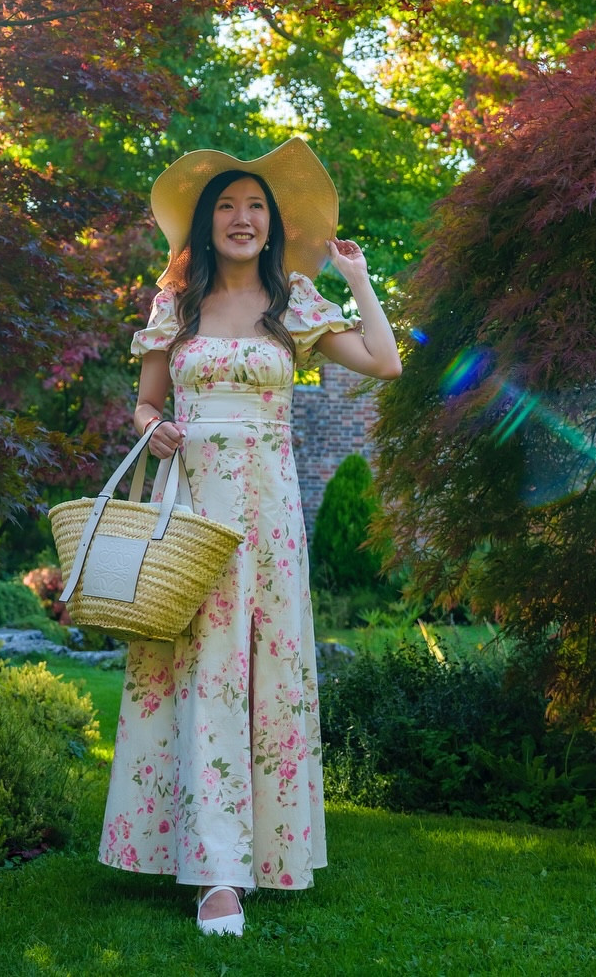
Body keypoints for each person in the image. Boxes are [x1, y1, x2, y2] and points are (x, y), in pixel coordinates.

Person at [98, 139, 401, 937]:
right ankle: (215, 875)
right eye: (227, 206)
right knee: (200, 674)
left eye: (255, 206)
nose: (241, 217)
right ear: (206, 225)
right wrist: (155, 430)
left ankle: (255, 856)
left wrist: (358, 279)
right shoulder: (177, 306)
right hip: (192, 506)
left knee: (260, 679)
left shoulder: (292, 304)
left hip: (268, 517)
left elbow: (384, 362)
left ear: (273, 226)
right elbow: (144, 407)